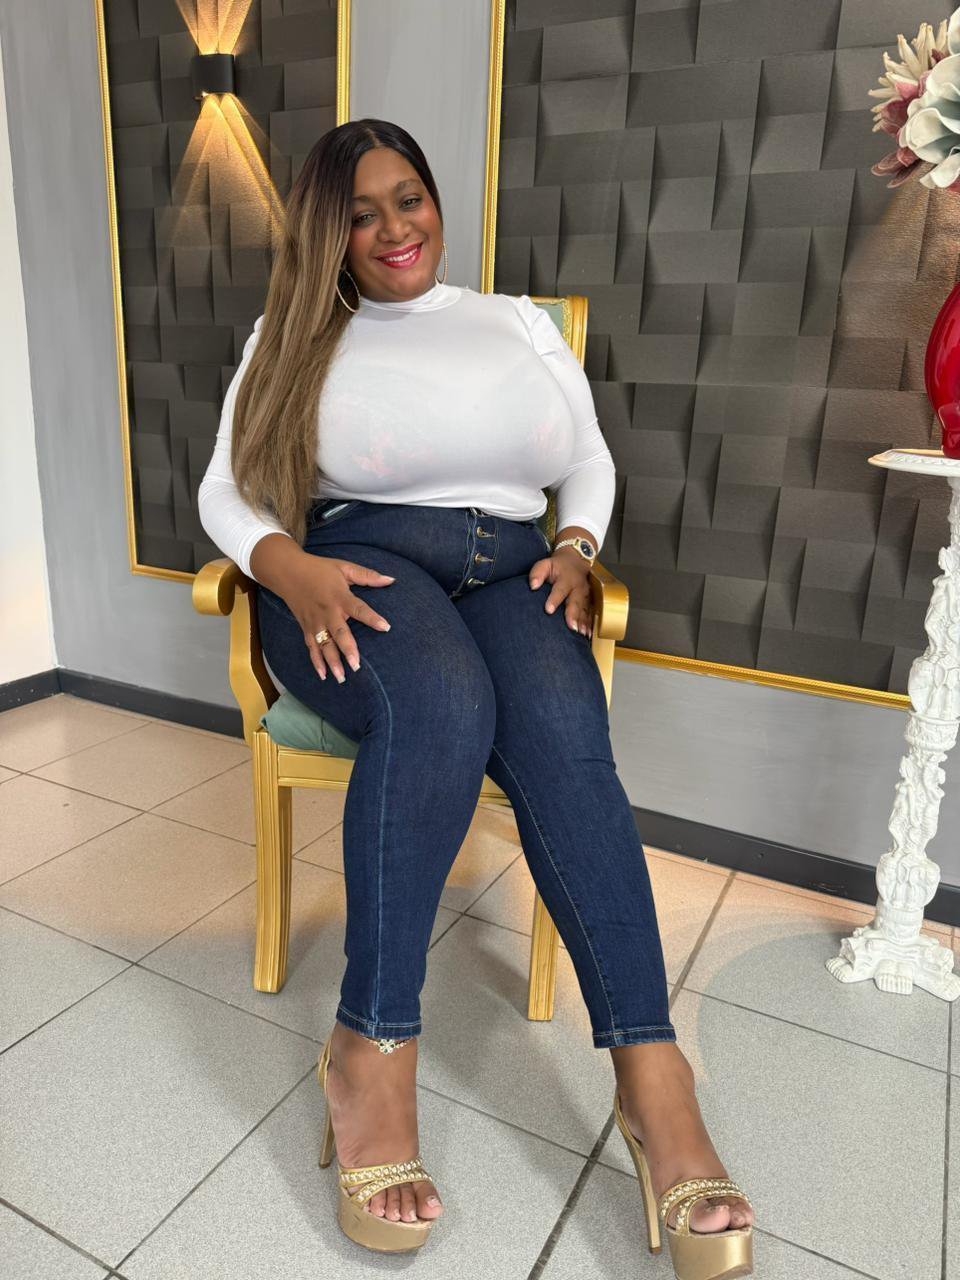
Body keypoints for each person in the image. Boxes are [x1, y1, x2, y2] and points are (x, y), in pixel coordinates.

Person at [197, 118, 754, 1277]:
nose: (393, 228)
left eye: (409, 198)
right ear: (330, 234)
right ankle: (370, 1047)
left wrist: (580, 542)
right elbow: (226, 490)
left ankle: (654, 1076)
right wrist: (287, 568)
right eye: (361, 213)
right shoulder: (295, 331)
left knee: (564, 736)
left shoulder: (515, 324)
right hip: (351, 564)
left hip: (512, 567)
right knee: (442, 704)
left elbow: (586, 457)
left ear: (436, 201)